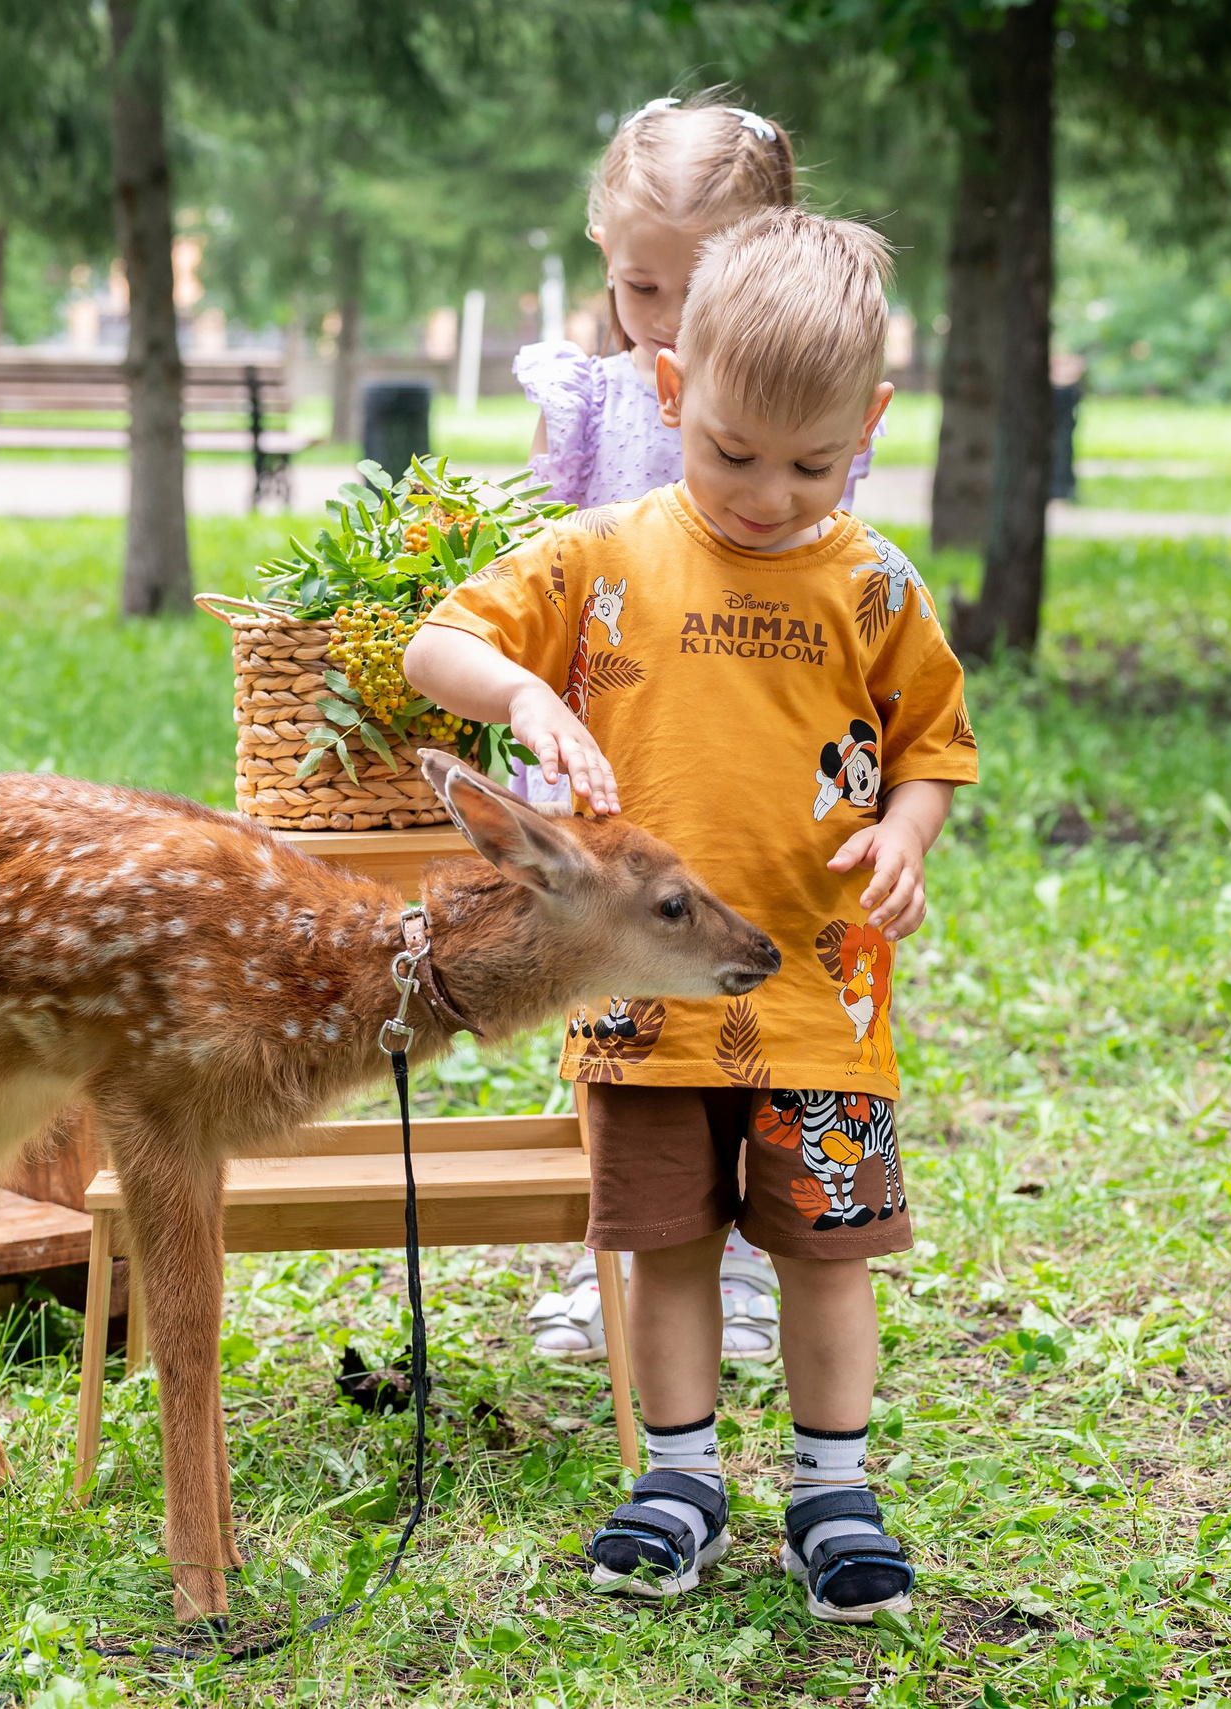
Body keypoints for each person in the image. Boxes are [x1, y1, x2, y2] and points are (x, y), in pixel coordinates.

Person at [406, 208, 978, 1624]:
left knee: (823, 1252)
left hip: (819, 1004)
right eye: (731, 453)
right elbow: (437, 643)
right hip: (640, 1001)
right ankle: (678, 1478)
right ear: (670, 394)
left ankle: (835, 1492)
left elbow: (934, 749)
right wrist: (531, 692)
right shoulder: (600, 558)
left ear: (873, 425)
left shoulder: (876, 585)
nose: (771, 494)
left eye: (814, 461)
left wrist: (907, 834)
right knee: (661, 1243)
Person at [511, 93, 820, 1367]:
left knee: (741, 987)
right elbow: (538, 550)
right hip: (608, 735)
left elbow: (805, 545)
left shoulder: (790, 407)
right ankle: (627, 1249)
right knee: (612, 1004)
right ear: (603, 256)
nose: (674, 327)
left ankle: (743, 1259)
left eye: (707, 293)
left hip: (740, 727)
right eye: (645, 288)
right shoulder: (587, 396)